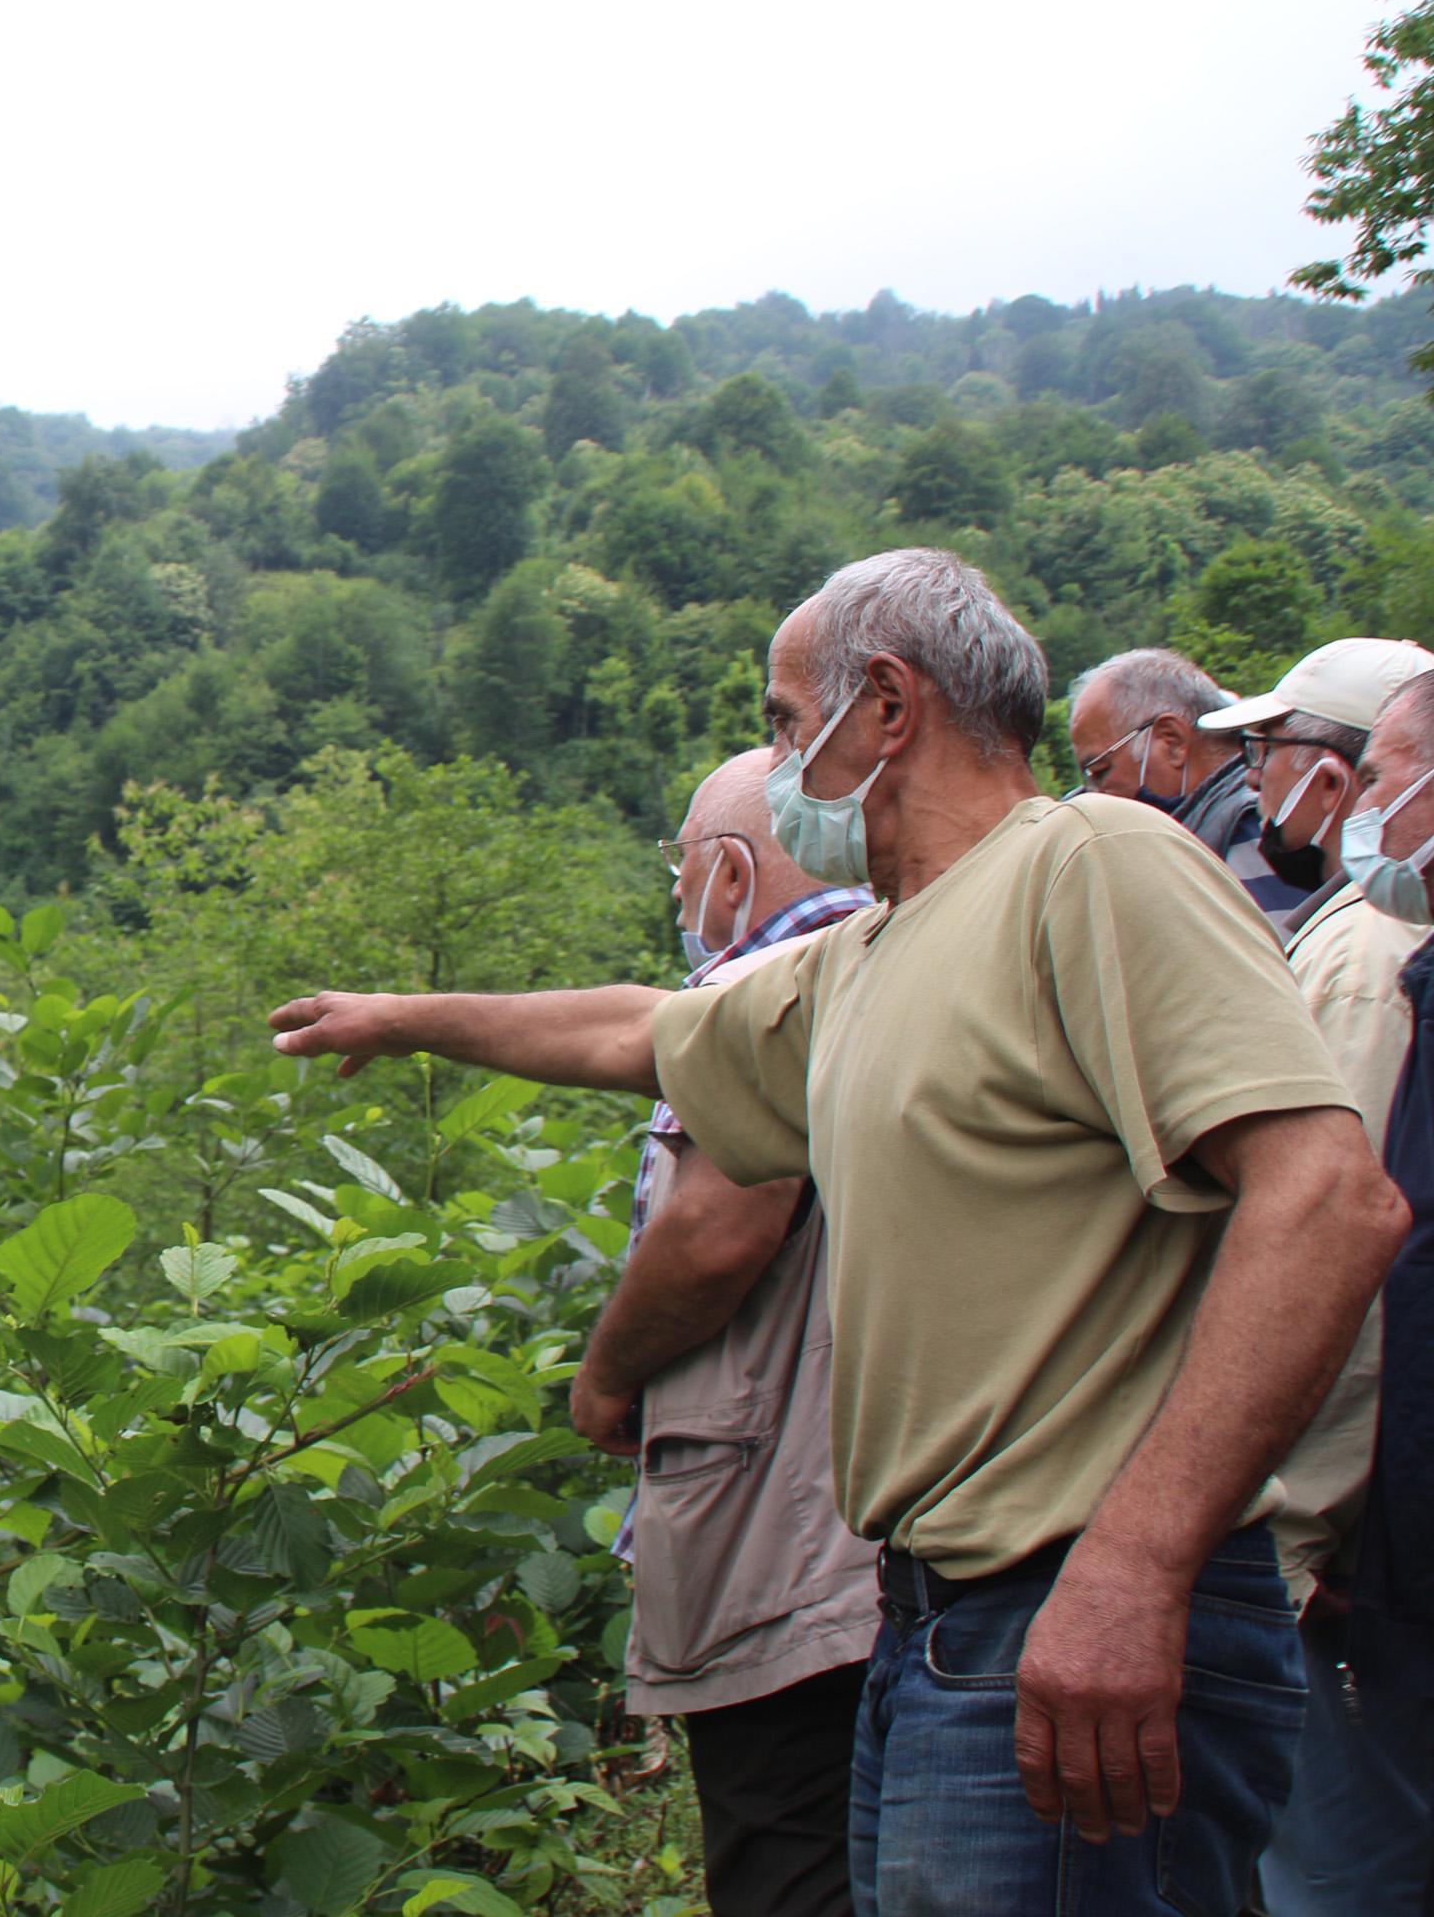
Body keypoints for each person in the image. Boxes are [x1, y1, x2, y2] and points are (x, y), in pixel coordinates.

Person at [269, 548, 1404, 1916]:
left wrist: (1137, 1563)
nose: (776, 754)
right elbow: (646, 1026)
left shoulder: (1096, 868)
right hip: (938, 1625)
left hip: (1072, 1606)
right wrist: (406, 1018)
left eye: (782, 719)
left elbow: (1329, 1201)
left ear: (886, 705)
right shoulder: (875, 949)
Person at [596, 748, 876, 1917]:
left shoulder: (771, 991)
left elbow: (719, 1225)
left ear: (725, 867)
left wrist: (606, 1382)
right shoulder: (891, 964)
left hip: (789, 1547)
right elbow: (609, 1027)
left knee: (786, 1856)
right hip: (880, 1539)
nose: (675, 897)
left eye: (680, 864)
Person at [1194, 639, 1434, 1914]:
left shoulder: (1362, 954)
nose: (1252, 780)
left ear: (1341, 780)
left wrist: (1317, 1512)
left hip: (1341, 1529)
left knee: (1340, 1863)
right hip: (1372, 1512)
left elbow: (1339, 1242)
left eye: (1269, 752)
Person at [1069, 647, 1310, 918]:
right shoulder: (1225, 820)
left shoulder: (1250, 829)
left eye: (1100, 771)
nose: (1095, 796)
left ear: (1172, 742)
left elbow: (1282, 955)